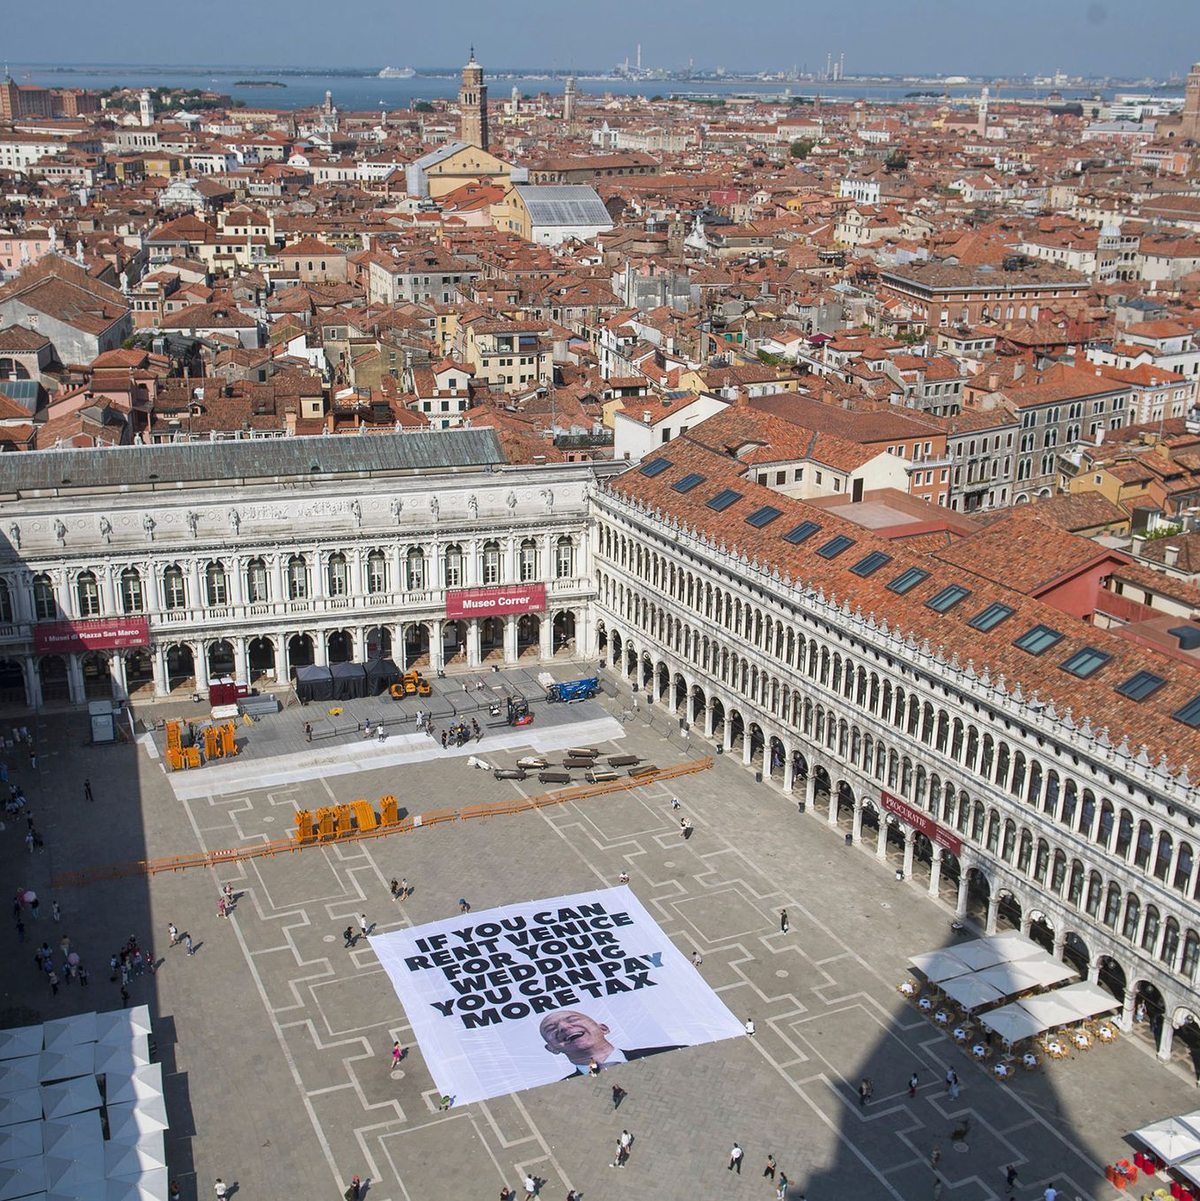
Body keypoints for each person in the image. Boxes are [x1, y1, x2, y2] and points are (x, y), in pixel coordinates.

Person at [539, 1009, 684, 1078]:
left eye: (572, 1020)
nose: (564, 1028)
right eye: (551, 1029)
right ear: (551, 1048)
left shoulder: (674, 1052)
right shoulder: (565, 1086)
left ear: (603, 1028)